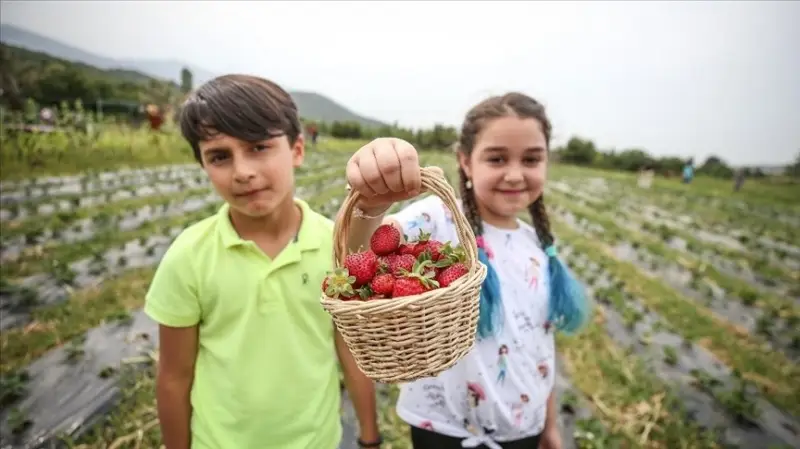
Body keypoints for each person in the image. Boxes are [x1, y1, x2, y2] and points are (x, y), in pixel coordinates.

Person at [144, 74, 381, 449]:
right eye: (220, 156)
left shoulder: (337, 248)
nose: (242, 171)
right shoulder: (188, 257)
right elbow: (174, 377)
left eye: (258, 147)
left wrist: (370, 437)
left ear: (297, 150)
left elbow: (348, 347)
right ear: (203, 165)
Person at [344, 92, 591, 449]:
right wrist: (371, 201)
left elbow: (541, 346)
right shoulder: (439, 219)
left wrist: (549, 424)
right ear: (465, 161)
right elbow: (361, 249)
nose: (515, 174)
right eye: (496, 158)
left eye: (532, 159)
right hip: (443, 430)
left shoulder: (539, 246)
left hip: (523, 428)